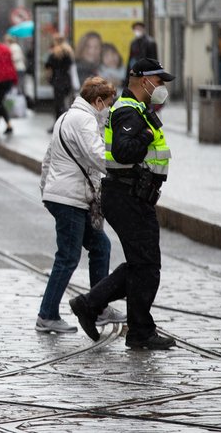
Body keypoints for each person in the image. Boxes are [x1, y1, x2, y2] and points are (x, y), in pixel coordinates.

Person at [69, 58, 176, 350]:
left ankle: (91, 305)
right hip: (128, 196)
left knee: (141, 265)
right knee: (147, 266)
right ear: (144, 81)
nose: (162, 87)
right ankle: (139, 331)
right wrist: (146, 131)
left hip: (132, 196)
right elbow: (125, 151)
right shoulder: (129, 111)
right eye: (160, 81)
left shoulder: (137, 109)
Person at [36, 77, 125, 334]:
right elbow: (98, 156)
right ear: (98, 102)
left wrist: (47, 190)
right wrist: (123, 166)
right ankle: (47, 314)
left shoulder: (65, 117)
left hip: (63, 195)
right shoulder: (85, 120)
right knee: (67, 257)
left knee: (100, 245)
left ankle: (98, 306)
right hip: (70, 198)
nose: (110, 109)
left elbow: (48, 159)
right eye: (109, 104)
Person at [45, 36, 75, 124]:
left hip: (57, 80)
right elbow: (70, 66)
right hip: (66, 80)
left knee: (58, 104)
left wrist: (49, 79)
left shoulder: (54, 53)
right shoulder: (69, 52)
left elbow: (49, 68)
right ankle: (65, 121)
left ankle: (59, 123)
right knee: (64, 103)